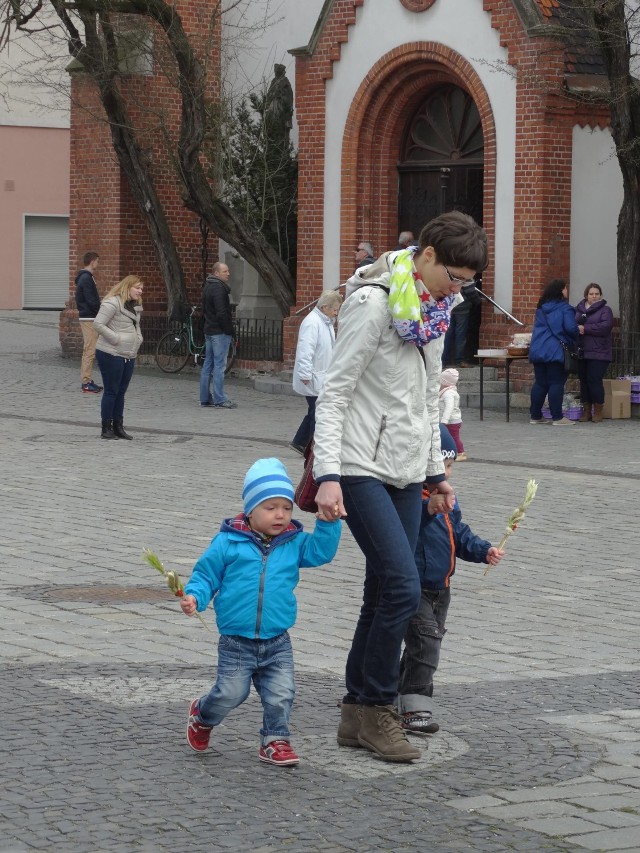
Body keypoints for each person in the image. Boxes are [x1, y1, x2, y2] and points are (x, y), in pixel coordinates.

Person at [313, 210, 489, 762]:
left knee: (381, 592)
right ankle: (377, 705)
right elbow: (335, 391)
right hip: (360, 463)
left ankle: (354, 713)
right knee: (404, 586)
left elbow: (428, 399)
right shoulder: (373, 301)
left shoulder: (435, 310)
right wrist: (327, 476)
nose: (457, 289)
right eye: (453, 277)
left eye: (466, 282)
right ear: (428, 254)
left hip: (408, 468)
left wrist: (436, 473)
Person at [181, 458, 341, 766]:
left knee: (281, 694)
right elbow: (206, 576)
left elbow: (320, 552)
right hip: (236, 640)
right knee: (231, 693)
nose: (280, 515)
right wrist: (194, 597)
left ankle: (274, 740)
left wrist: (329, 523)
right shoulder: (228, 542)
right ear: (250, 510)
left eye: (286, 507)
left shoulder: (294, 543)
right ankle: (203, 715)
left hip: (277, 639)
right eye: (270, 507)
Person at [397, 426, 504, 734]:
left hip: (441, 589)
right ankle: (416, 708)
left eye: (450, 466)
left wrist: (485, 551)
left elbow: (460, 533)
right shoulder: (409, 497)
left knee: (422, 646)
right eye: (442, 466)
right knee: (426, 643)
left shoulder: (448, 499)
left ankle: (396, 696)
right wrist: (428, 509)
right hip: (413, 587)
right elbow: (406, 526)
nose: (447, 473)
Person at [290, 290, 343, 455]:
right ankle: (312, 447)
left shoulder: (324, 322)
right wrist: (305, 374)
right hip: (313, 376)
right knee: (317, 412)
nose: (336, 313)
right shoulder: (313, 323)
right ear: (325, 307)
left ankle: (300, 442)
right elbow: (306, 350)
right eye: (334, 309)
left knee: (315, 410)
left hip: (320, 374)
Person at [93, 275, 143, 440]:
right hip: (111, 352)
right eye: (137, 287)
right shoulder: (112, 303)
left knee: (121, 392)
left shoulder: (135, 306)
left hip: (128, 353)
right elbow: (98, 324)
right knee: (111, 391)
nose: (140, 291)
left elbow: (136, 326)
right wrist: (115, 338)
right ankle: (106, 428)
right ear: (127, 287)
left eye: (141, 288)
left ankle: (118, 426)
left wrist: (138, 339)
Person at [528, 279, 579, 426]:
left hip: (538, 349)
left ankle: (535, 416)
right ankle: (557, 417)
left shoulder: (541, 308)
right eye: (565, 288)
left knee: (540, 383)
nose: (566, 291)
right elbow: (570, 328)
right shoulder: (565, 308)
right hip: (556, 350)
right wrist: (577, 332)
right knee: (556, 383)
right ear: (561, 291)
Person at [200, 261, 237, 409]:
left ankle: (204, 397)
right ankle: (220, 398)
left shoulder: (208, 286)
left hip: (209, 329)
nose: (228, 273)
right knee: (219, 366)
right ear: (216, 273)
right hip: (219, 332)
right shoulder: (219, 289)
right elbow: (222, 313)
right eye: (225, 271)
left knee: (207, 365)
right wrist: (229, 330)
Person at [575, 283, 614, 423]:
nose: (594, 296)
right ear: (586, 295)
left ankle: (598, 410)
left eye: (597, 294)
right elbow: (572, 324)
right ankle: (586, 411)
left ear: (601, 295)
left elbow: (605, 327)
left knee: (594, 380)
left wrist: (585, 328)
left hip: (599, 353)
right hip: (582, 352)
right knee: (584, 381)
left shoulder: (605, 310)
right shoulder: (578, 310)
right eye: (591, 294)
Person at [75, 251, 103, 394]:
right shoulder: (86, 278)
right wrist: (101, 312)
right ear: (92, 261)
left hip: (89, 317)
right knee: (89, 351)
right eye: (97, 261)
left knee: (90, 350)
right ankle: (86, 382)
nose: (98, 264)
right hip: (88, 318)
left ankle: (88, 380)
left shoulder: (85, 277)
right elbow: (91, 300)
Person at [442, 278, 483, 368]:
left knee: (447, 335)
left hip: (449, 307)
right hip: (462, 309)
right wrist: (478, 302)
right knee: (460, 335)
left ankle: (443, 360)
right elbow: (470, 292)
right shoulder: (465, 276)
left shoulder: (448, 274)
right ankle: (459, 360)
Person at [439, 368, 467, 461]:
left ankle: (460, 453)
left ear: (445, 382)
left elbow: (449, 407)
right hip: (450, 420)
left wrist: (444, 420)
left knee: (454, 437)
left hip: (452, 421)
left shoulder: (449, 393)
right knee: (448, 436)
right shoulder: (446, 392)